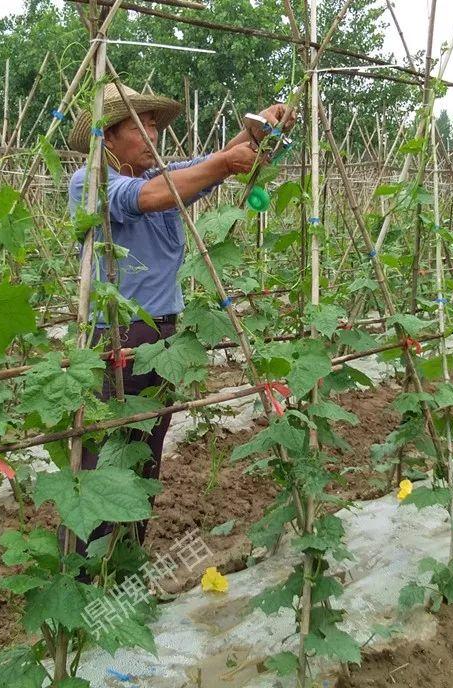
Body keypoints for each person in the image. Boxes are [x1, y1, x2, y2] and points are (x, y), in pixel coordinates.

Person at [66, 83, 295, 558]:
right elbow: (152, 196)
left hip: (161, 334)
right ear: (107, 138)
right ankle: (90, 565)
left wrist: (255, 131)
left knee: (146, 449)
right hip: (116, 333)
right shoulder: (91, 182)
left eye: (154, 124)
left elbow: (207, 166)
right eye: (139, 125)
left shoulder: (163, 175)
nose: (152, 133)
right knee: (106, 456)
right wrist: (222, 164)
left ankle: (128, 554)